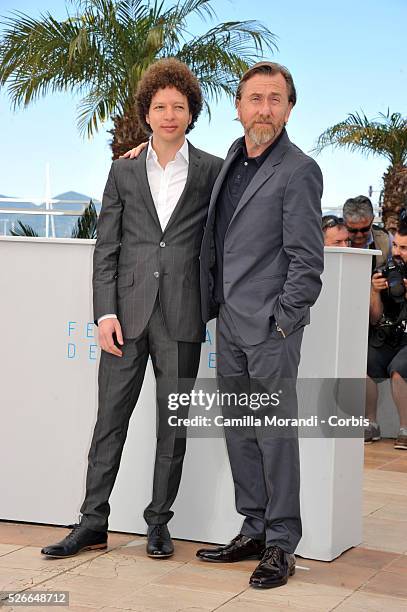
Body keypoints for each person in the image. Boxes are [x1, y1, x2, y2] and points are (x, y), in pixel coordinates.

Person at [41, 58, 223, 560]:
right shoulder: (122, 169)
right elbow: (108, 247)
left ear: (191, 113)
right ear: (147, 113)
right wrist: (105, 313)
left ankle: (158, 524)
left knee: (173, 426)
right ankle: (92, 522)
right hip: (125, 318)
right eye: (160, 106)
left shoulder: (211, 169)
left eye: (179, 107)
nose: (169, 115)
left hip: (183, 317)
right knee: (109, 424)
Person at [197, 62, 324, 589]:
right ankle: (252, 527)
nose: (264, 108)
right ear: (238, 105)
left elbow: (306, 260)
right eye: (255, 98)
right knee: (240, 433)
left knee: (275, 437)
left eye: (275, 99)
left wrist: (282, 323)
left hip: (270, 331)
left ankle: (281, 544)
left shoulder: (298, 169)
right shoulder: (230, 157)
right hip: (228, 326)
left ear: (289, 107)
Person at [365, 211, 407, 449]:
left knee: (399, 369)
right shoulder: (386, 270)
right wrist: (374, 291)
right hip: (388, 336)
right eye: (396, 246)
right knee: (363, 363)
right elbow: (374, 318)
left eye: (404, 248)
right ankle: (370, 424)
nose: (398, 253)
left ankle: (405, 429)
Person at [343, 195, 391, 268]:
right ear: (344, 223)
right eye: (353, 230)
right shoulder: (335, 239)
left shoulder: (386, 240)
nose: (359, 235)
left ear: (372, 220)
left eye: (364, 229)